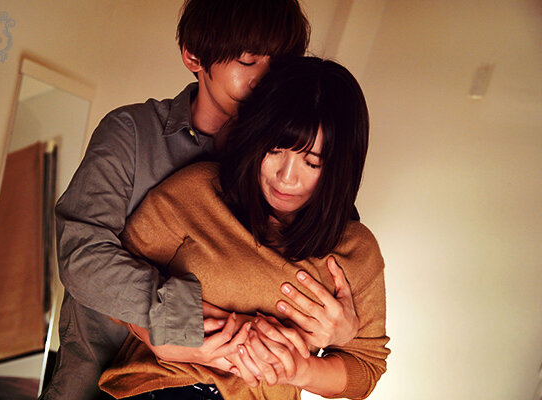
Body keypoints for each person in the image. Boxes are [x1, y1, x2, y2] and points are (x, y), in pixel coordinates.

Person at [42, 2, 359, 399]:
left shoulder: (295, 175)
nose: (267, 80)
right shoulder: (133, 133)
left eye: (280, 65)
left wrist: (344, 331)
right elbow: (82, 255)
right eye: (248, 61)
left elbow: (345, 298)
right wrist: (180, 324)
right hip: (100, 383)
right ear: (194, 56)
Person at [98, 57, 390, 399]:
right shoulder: (198, 191)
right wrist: (165, 337)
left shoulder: (355, 250)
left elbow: (365, 368)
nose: (286, 177)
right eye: (275, 150)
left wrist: (300, 369)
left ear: (339, 169)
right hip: (162, 388)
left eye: (312, 162)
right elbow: (111, 281)